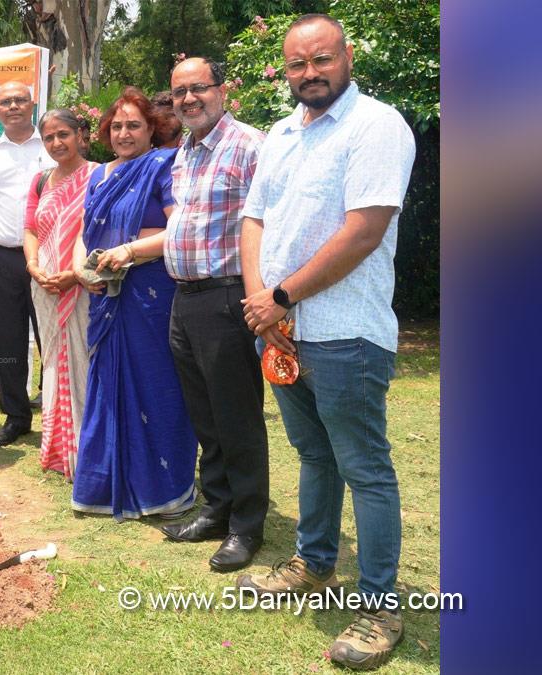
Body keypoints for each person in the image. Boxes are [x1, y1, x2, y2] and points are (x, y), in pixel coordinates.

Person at [235, 14, 416, 670]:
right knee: (314, 456)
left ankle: (379, 604)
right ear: (284, 70)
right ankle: (313, 563)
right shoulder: (281, 134)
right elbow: (254, 216)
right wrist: (263, 304)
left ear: (346, 56)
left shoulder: (378, 126)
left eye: (321, 60)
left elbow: (363, 230)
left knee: (364, 467)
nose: (309, 73)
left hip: (346, 336)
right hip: (280, 333)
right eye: (296, 64)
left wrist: (280, 297)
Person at [157, 58, 270, 574]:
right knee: (205, 415)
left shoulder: (250, 145)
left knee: (237, 417)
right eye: (179, 91)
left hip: (228, 298)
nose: (187, 99)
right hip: (185, 299)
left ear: (222, 90)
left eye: (198, 88)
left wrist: (261, 297)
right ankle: (218, 508)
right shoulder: (184, 150)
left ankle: (247, 525)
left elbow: (270, 223)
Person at [71, 89, 198, 519]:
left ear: (152, 130)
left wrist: (129, 252)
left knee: (156, 386)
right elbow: (87, 234)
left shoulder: (164, 166)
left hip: (150, 292)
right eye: (118, 126)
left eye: (134, 126)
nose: (125, 133)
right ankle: (102, 488)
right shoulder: (99, 175)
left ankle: (164, 489)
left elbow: (180, 230)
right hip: (108, 295)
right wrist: (86, 271)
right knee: (109, 384)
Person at [0, 80, 55, 447]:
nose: (13, 106)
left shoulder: (52, 148)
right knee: (8, 342)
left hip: (50, 257)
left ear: (33, 104)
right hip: (1, 258)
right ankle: (16, 415)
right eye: (6, 101)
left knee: (51, 337)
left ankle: (56, 412)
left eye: (20, 99)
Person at [22, 108, 96, 480]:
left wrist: (76, 275)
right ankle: (56, 447)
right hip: (47, 286)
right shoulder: (40, 181)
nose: (56, 143)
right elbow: (31, 229)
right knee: (52, 360)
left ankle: (85, 450)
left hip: (83, 287)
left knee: (83, 360)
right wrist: (34, 267)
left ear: (80, 134)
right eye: (49, 138)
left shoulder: (98, 175)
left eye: (63, 134)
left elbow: (101, 229)